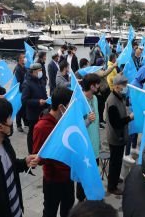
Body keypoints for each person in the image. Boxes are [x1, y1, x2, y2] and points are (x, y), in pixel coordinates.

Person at [0, 97, 39, 217]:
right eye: (9, 118)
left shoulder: (4, 142)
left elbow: (8, 167)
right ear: (0, 127)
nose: (11, 121)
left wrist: (24, 163)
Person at [33, 87, 74, 217]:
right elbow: (38, 156)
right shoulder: (42, 127)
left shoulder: (65, 121)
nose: (71, 109)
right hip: (53, 180)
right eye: (69, 105)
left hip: (69, 176)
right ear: (61, 107)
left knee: (68, 209)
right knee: (50, 211)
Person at [105, 74, 134, 195]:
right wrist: (129, 118)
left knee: (117, 161)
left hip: (120, 136)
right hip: (116, 137)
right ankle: (112, 186)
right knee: (115, 162)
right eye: (123, 85)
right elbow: (116, 123)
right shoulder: (112, 101)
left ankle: (115, 178)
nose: (125, 87)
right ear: (117, 86)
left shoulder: (118, 96)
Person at [76, 74, 99, 202]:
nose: (99, 86)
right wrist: (87, 121)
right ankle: (81, 200)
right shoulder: (79, 102)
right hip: (85, 147)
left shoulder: (95, 99)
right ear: (92, 86)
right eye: (97, 84)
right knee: (83, 176)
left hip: (95, 146)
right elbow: (76, 127)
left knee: (92, 175)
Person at [22, 63, 48, 154]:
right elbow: (24, 101)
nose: (41, 72)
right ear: (34, 72)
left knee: (40, 132)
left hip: (42, 112)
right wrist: (38, 102)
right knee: (32, 133)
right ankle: (31, 152)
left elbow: (44, 94)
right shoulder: (27, 83)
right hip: (32, 114)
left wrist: (47, 102)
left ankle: (39, 149)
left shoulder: (40, 80)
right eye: (40, 71)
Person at [14, 53, 28, 132]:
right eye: (24, 57)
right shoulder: (17, 69)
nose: (25, 59)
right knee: (19, 108)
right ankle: (18, 124)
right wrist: (24, 87)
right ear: (19, 59)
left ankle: (25, 122)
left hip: (25, 90)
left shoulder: (24, 68)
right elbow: (18, 82)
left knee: (24, 107)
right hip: (20, 91)